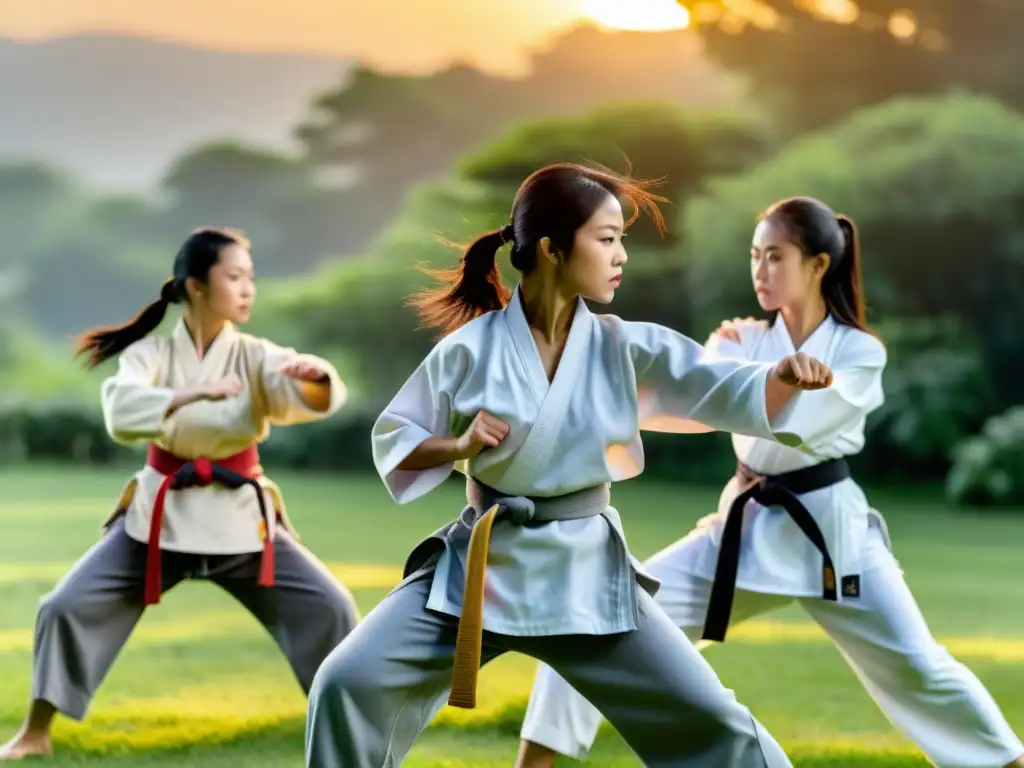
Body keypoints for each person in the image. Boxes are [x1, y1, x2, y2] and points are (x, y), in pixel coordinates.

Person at [304, 164, 836, 768]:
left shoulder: (625, 346)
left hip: (587, 574)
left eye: (621, 240)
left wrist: (778, 377)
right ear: (552, 249)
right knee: (347, 682)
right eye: (606, 239)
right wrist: (456, 446)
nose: (621, 255)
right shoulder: (470, 350)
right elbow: (398, 438)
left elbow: (716, 382)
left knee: (712, 718)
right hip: (482, 571)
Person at [516, 196, 1024, 768]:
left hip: (832, 539)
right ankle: (533, 765)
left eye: (776, 256)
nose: (760, 269)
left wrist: (766, 381)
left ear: (818, 264)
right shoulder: (740, 340)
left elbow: (802, 421)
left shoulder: (859, 351)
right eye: (755, 256)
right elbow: (697, 399)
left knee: (919, 670)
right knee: (605, 611)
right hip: (742, 529)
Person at [0, 227, 361, 761]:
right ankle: (35, 732)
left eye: (250, 277)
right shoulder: (150, 353)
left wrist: (316, 378)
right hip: (159, 519)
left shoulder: (255, 355)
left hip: (242, 522)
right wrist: (195, 391)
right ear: (196, 285)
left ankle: (345, 727)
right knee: (65, 606)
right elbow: (121, 410)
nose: (247, 289)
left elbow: (307, 393)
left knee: (330, 606)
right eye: (234, 277)